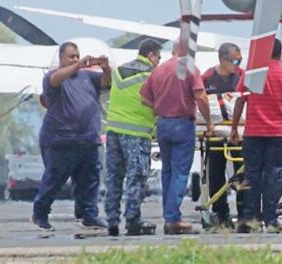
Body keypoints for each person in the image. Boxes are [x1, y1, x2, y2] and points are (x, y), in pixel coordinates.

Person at [32, 42, 110, 232]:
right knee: (54, 180)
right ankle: (40, 213)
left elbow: (106, 83)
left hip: (88, 140)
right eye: (71, 56)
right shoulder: (53, 77)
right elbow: (55, 79)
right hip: (62, 140)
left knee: (90, 181)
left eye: (77, 56)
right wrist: (78, 65)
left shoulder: (87, 77)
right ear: (61, 58)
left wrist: (106, 68)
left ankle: (89, 214)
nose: (75, 59)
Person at [140, 43, 214, 235]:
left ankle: (169, 214)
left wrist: (159, 107)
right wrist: (209, 123)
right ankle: (172, 218)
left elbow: (144, 98)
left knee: (167, 171)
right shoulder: (189, 68)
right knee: (181, 172)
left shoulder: (158, 70)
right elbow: (201, 97)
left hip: (162, 124)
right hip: (182, 123)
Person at [229, 39, 282, 234]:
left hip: (253, 132)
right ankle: (270, 219)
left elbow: (240, 101)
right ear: (280, 53)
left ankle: (248, 217)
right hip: (277, 133)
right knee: (274, 176)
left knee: (251, 175)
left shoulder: (252, 74)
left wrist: (234, 128)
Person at [103, 39, 161, 237]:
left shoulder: (118, 70)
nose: (159, 62)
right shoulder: (151, 74)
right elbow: (157, 102)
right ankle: (133, 219)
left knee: (113, 177)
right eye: (158, 58)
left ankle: (111, 220)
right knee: (136, 178)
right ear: (151, 55)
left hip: (113, 131)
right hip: (136, 133)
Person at [201, 42, 245, 228]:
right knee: (215, 171)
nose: (237, 64)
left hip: (238, 132)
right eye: (234, 60)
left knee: (242, 171)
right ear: (222, 58)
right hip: (215, 131)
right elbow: (199, 99)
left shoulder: (241, 76)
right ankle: (220, 212)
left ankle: (244, 211)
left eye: (239, 60)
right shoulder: (208, 77)